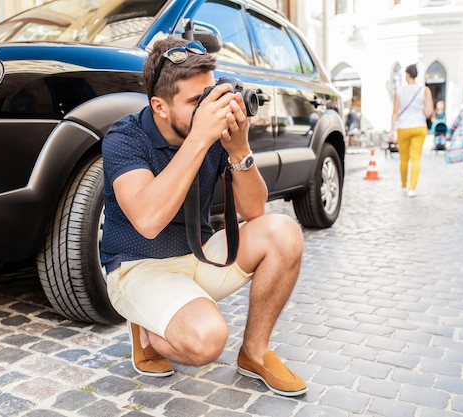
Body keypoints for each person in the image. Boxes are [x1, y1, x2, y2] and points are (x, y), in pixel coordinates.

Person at [99, 36, 308, 397]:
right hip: (139, 266)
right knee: (206, 341)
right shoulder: (125, 137)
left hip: (198, 256)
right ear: (159, 106)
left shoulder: (213, 133)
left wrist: (238, 149)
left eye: (211, 93)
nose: (210, 107)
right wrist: (199, 139)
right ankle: (147, 328)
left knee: (284, 232)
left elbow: (254, 213)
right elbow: (148, 220)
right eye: (196, 101)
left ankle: (255, 352)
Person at [389, 64, 434, 197]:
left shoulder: (399, 90)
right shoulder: (424, 90)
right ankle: (412, 189)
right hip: (419, 126)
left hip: (403, 127)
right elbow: (429, 111)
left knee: (404, 159)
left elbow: (395, 111)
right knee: (416, 158)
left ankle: (403, 185)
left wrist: (392, 130)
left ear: (407, 75)